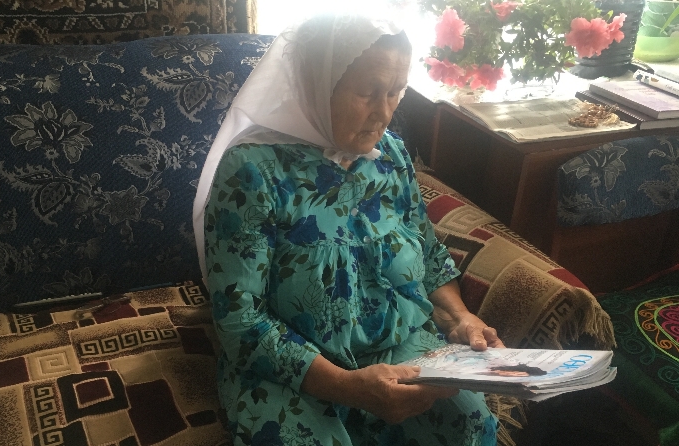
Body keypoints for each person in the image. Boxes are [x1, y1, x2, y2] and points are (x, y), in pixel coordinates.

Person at [192, 12, 505, 446]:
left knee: (468, 423)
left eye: (395, 92)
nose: (384, 112)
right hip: (295, 368)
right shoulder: (253, 171)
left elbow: (430, 258)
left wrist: (460, 318)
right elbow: (239, 318)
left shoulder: (391, 156)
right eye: (367, 92)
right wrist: (345, 386)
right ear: (317, 84)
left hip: (396, 346)